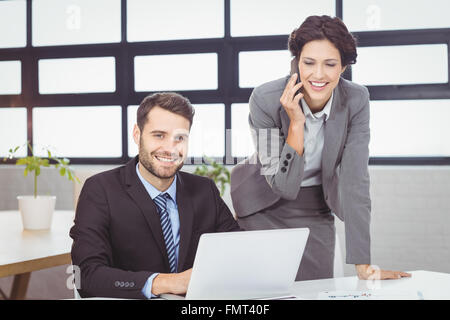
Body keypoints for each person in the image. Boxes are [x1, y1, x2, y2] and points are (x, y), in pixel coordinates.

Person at [230, 15, 411, 281]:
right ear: (296, 62)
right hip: (262, 204)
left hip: (316, 206)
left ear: (344, 67)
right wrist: (296, 124)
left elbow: (355, 181)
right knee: (262, 288)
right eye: (308, 63)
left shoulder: (356, 100)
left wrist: (363, 264)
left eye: (330, 64)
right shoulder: (265, 99)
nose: (318, 74)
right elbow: (282, 185)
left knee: (316, 289)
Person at [70, 92, 241, 299]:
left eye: (180, 138)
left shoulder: (205, 190)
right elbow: (86, 276)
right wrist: (166, 282)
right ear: (137, 134)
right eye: (159, 135)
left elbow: (237, 252)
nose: (170, 148)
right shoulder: (100, 190)